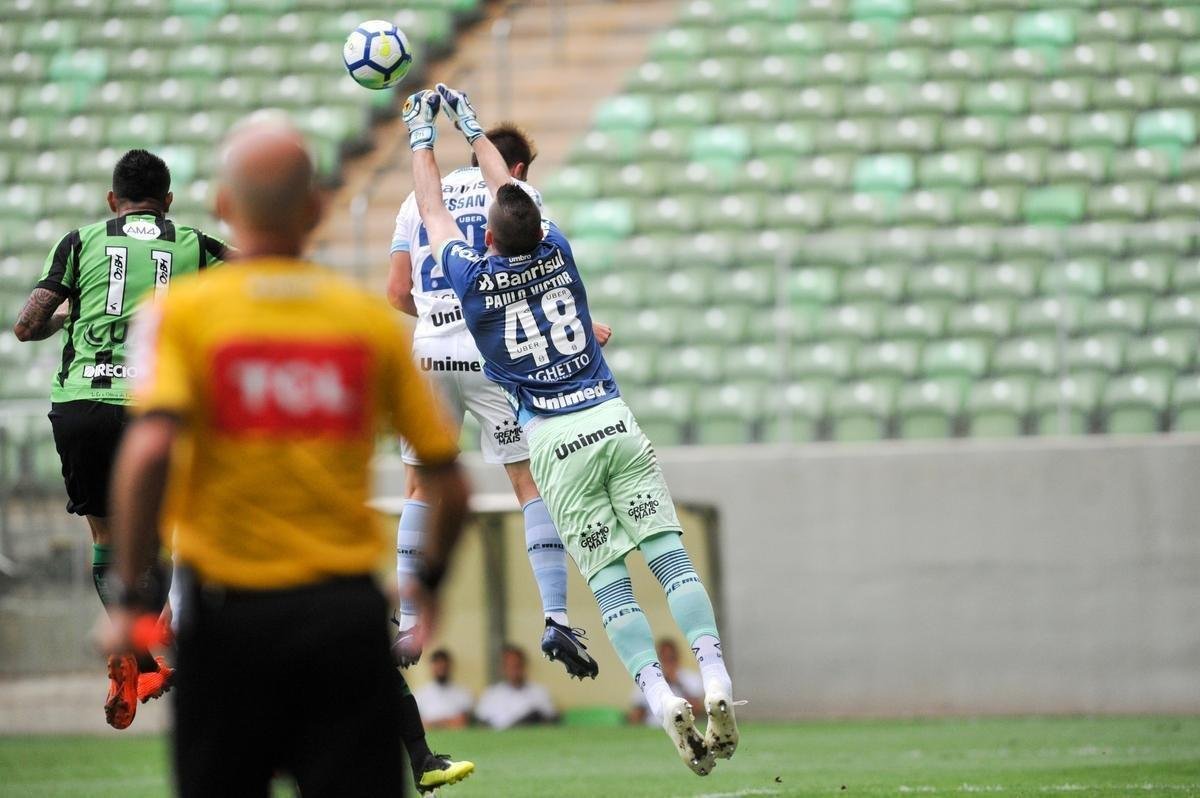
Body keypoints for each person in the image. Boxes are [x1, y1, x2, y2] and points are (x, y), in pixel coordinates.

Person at [104, 118, 473, 797]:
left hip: (228, 621)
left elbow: (149, 450)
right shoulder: (365, 322)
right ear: (316, 210)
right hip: (342, 616)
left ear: (223, 207)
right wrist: (432, 583)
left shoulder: (179, 314)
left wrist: (131, 597)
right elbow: (450, 480)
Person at [401, 85, 740, 777]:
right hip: (613, 419)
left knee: (612, 581)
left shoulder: (470, 274)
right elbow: (512, 194)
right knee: (668, 557)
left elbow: (434, 209)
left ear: (487, 236)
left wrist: (423, 139)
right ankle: (715, 675)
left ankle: (656, 692)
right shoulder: (558, 247)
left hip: (557, 439)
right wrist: (476, 133)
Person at [10, 148, 228, 728]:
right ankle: (149, 649)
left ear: (113, 200)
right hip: (154, 407)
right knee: (158, 535)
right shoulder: (196, 244)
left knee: (107, 533)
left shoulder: (79, 241)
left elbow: (27, 325)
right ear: (168, 201)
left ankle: (137, 653)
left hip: (83, 404)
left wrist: (73, 316)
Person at [386, 122, 605, 679]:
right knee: (528, 482)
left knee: (419, 486)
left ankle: (410, 620)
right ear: (520, 171)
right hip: (493, 352)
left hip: (430, 354)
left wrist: (438, 320)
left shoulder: (418, 196)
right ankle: (555, 617)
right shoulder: (511, 198)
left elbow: (395, 291)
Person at [475, 644, 558, 730]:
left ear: (524, 666)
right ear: (503, 668)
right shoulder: (490, 694)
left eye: (517, 666)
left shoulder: (540, 692)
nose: (514, 670)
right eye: (509, 666)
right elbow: (481, 724)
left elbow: (550, 721)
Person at [628, 638, 703, 726]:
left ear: (677, 657)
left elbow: (697, 710)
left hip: (684, 725)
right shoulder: (646, 678)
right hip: (652, 727)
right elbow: (636, 714)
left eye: (671, 658)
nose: (667, 663)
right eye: (663, 658)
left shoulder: (690, 677)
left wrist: (677, 683)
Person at [413, 649, 475, 729]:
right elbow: (419, 724)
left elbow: (463, 722)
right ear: (431, 667)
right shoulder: (420, 694)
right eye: (437, 663)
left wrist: (433, 723)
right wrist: (447, 722)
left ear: (450, 665)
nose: (441, 667)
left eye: (443, 663)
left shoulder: (464, 693)